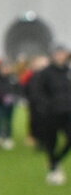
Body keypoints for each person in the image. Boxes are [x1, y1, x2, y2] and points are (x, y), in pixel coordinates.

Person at [36, 47, 71, 184]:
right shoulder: (46, 73)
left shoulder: (68, 71)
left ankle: (56, 161)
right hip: (51, 113)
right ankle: (53, 169)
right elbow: (39, 91)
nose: (61, 57)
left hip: (68, 111)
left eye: (63, 54)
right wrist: (46, 106)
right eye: (58, 54)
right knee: (51, 141)